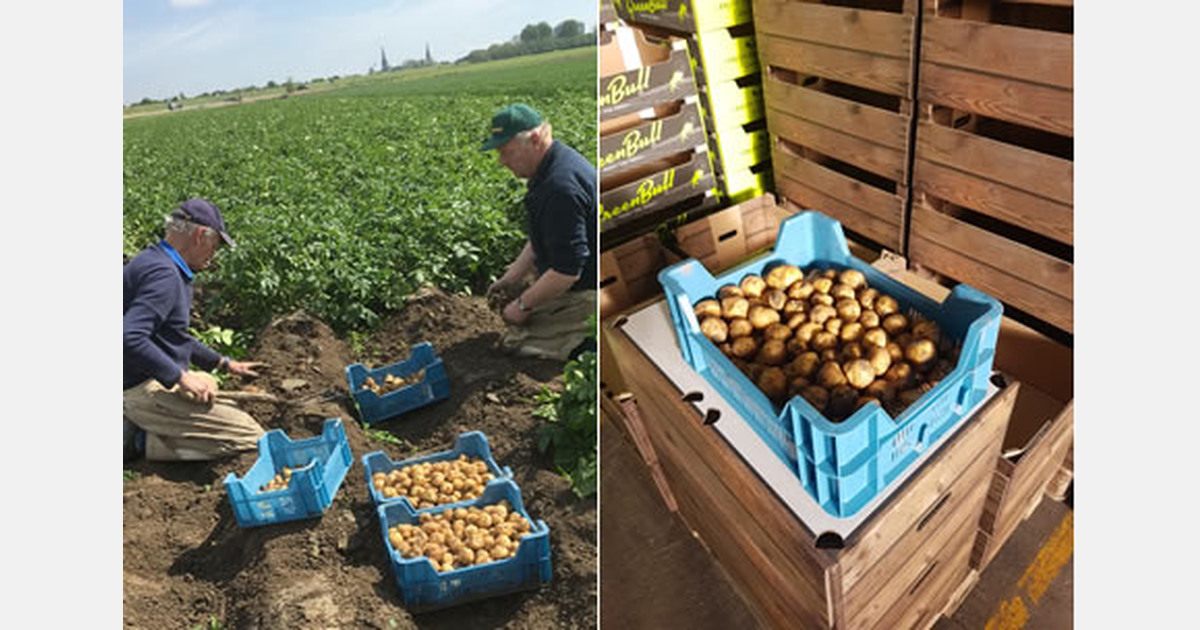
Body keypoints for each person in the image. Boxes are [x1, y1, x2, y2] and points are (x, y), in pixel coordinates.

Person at [123, 198, 267, 462]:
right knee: (252, 436)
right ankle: (143, 441)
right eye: (216, 245)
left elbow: (173, 337)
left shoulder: (157, 261)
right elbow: (128, 336)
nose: (214, 254)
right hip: (138, 387)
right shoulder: (164, 276)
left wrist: (224, 363)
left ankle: (151, 423)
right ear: (201, 235)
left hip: (145, 377)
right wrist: (180, 377)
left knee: (209, 384)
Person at [481, 103, 597, 361]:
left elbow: (566, 272)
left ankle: (589, 343)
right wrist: (511, 278)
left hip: (585, 288)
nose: (502, 161)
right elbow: (540, 238)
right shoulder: (552, 165)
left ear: (534, 140)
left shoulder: (559, 187)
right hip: (571, 278)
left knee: (517, 342)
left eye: (506, 152)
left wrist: (521, 306)